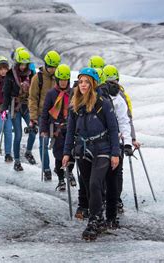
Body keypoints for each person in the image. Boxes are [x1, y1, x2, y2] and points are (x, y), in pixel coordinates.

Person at [62, 67, 120, 241]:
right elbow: (70, 130)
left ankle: (94, 221)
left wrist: (115, 153)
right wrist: (66, 152)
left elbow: (113, 128)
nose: (83, 85)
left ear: (93, 83)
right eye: (81, 82)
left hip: (102, 148)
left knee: (95, 183)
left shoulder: (103, 103)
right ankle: (99, 217)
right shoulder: (75, 103)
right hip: (82, 148)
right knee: (88, 185)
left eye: (87, 82)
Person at [103, 64, 141, 214]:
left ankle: (115, 199)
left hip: (118, 140)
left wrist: (129, 140)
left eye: (115, 81)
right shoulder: (99, 96)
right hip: (103, 140)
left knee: (117, 171)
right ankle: (107, 198)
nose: (113, 84)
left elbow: (127, 119)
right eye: (110, 82)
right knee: (106, 171)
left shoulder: (121, 97)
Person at [40, 64, 77, 191]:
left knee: (72, 152)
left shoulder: (73, 93)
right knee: (59, 154)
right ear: (57, 79)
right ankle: (61, 179)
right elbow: (45, 112)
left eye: (65, 80)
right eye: (61, 79)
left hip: (71, 127)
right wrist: (43, 129)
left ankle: (70, 171)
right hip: (56, 130)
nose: (63, 82)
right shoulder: (51, 94)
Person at [1, 47, 36, 171]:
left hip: (27, 107)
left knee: (33, 131)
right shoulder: (10, 75)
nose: (22, 66)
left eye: (25, 64)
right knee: (18, 135)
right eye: (21, 64)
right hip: (14, 107)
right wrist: (3, 109)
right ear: (17, 63)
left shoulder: (32, 74)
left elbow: (35, 91)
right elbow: (5, 93)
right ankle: (17, 161)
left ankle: (28, 151)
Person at [29, 50, 60, 181]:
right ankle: (46, 169)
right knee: (43, 144)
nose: (53, 69)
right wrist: (33, 116)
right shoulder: (38, 78)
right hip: (43, 116)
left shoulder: (61, 77)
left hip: (58, 116)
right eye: (51, 66)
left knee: (60, 144)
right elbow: (33, 97)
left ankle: (59, 169)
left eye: (55, 67)